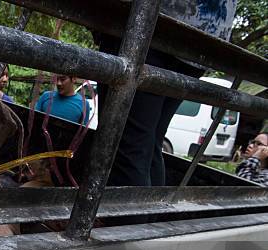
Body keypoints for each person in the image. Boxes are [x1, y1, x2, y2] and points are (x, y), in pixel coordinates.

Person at [96, 0, 238, 186]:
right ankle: (147, 213)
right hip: (207, 29)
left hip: (156, 19)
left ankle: (126, 214)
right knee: (149, 141)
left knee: (126, 141)